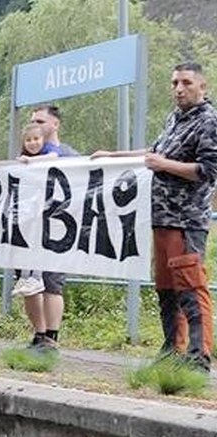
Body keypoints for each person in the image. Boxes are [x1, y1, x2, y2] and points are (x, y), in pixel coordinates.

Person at [92, 62, 217, 372]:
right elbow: (155, 153)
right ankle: (172, 348)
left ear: (202, 87)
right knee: (166, 288)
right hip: (160, 218)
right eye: (174, 82)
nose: (178, 88)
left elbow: (208, 171)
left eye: (186, 82)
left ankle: (199, 356)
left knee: (189, 286)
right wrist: (114, 156)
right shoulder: (175, 118)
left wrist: (164, 165)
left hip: (186, 221)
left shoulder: (209, 121)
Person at [23, 104, 80, 351]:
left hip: (57, 227)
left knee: (52, 283)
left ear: (55, 124)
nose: (36, 125)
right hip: (29, 229)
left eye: (41, 121)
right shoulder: (28, 154)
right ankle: (39, 334)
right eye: (33, 121)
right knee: (28, 284)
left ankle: (52, 338)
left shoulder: (69, 155)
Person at [0, 123, 61, 298]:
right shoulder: (21, 159)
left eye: (36, 139)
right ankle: (25, 276)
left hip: (44, 206)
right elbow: (8, 169)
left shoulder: (48, 151)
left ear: (43, 140)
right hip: (25, 206)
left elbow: (54, 156)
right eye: (28, 140)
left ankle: (37, 276)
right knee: (24, 241)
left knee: (37, 241)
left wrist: (32, 161)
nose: (32, 143)